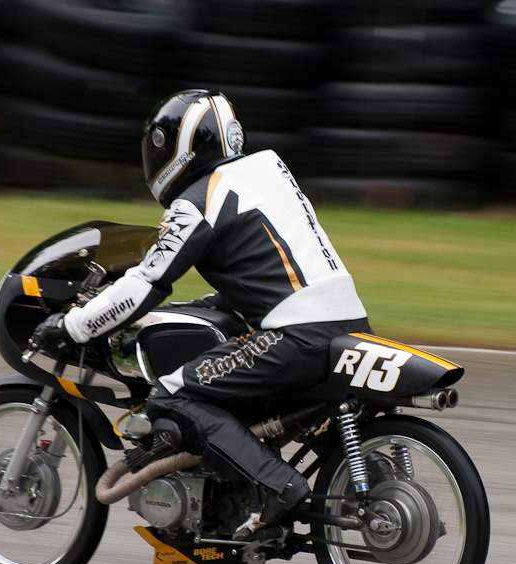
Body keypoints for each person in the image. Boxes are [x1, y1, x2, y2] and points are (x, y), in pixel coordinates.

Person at [31, 89, 372, 539]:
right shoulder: (268, 171)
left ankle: (276, 488)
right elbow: (267, 275)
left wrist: (74, 325)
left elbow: (145, 283)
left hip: (297, 336)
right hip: (348, 325)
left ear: (182, 147)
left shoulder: (198, 199)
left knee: (171, 394)